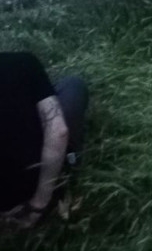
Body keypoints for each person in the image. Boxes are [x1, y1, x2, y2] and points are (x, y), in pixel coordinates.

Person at [0, 52, 88, 230]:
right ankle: (71, 161)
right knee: (73, 85)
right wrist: (38, 205)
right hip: (36, 183)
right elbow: (59, 132)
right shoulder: (23, 62)